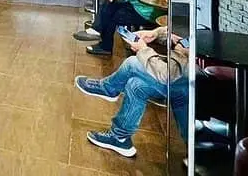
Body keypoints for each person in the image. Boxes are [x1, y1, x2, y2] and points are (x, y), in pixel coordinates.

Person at [74, 26, 188, 157]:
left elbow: (167, 74)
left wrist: (143, 49)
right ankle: (120, 138)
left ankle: (109, 88)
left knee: (133, 63)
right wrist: (157, 34)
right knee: (136, 85)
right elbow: (184, 40)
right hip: (186, 80)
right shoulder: (200, 27)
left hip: (193, 85)